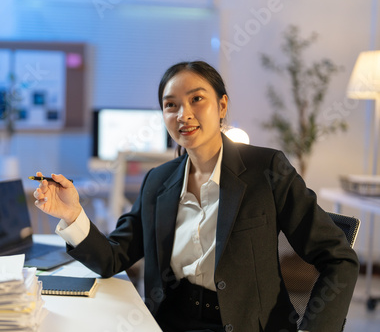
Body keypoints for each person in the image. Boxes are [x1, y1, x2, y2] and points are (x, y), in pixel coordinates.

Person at [33, 61, 359, 332]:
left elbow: (338, 258)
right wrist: (72, 214)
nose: (183, 114)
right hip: (171, 321)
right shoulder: (158, 181)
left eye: (196, 99)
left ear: (222, 105)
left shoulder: (266, 170)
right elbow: (114, 258)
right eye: (170, 105)